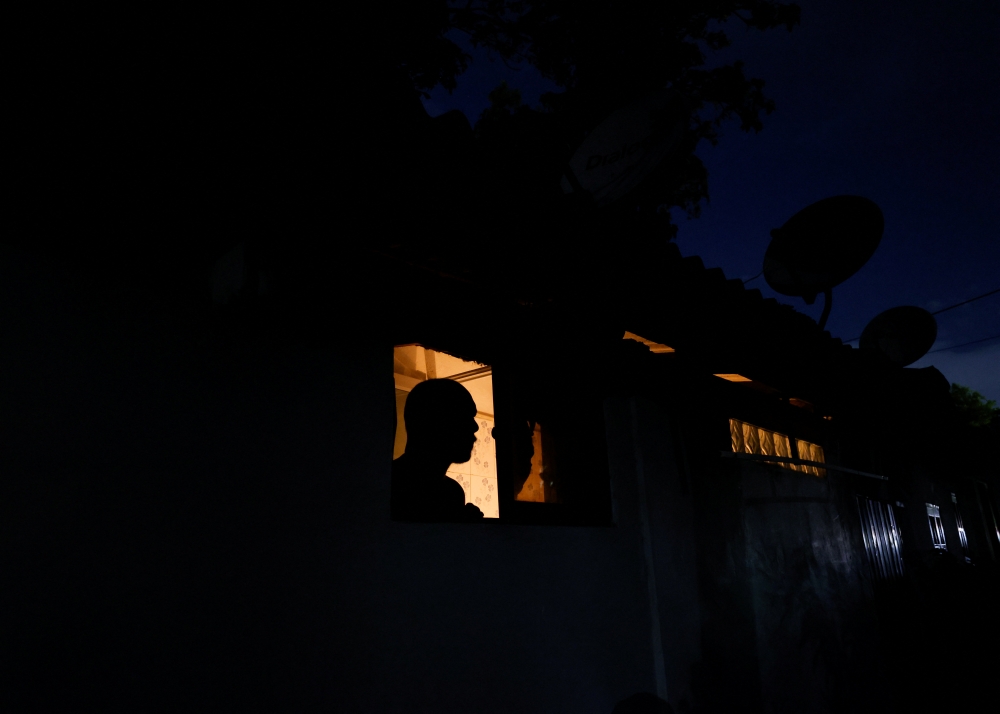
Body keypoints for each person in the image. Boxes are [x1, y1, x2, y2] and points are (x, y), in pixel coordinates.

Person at [391, 379, 485, 522]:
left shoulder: (453, 493)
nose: (475, 426)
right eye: (462, 416)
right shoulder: (389, 486)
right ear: (430, 420)